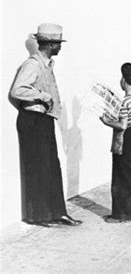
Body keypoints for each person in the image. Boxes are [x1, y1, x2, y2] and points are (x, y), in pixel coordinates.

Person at [9, 23, 82, 227]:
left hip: (44, 119)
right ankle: (38, 216)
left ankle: (57, 212)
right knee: (37, 168)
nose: (60, 46)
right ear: (49, 44)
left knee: (51, 167)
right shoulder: (32, 64)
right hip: (33, 120)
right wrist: (42, 96)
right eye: (58, 43)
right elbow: (17, 90)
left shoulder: (47, 63)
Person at [100, 63, 131, 223]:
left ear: (124, 81)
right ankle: (127, 213)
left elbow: (122, 125)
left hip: (125, 139)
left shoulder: (125, 101)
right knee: (129, 176)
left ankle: (120, 215)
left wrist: (106, 121)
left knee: (120, 176)